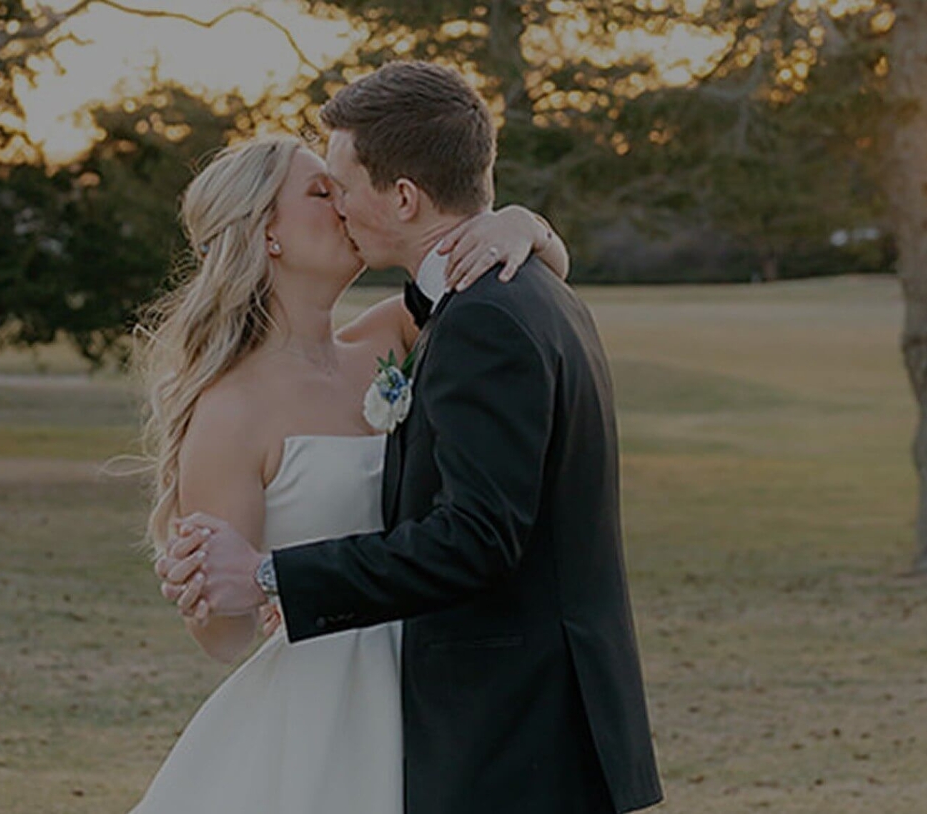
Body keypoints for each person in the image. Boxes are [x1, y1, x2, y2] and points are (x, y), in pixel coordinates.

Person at [156, 61, 663, 814]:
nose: (340, 203)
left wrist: (522, 224)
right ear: (267, 234)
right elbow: (225, 635)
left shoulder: (394, 335)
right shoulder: (229, 410)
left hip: (446, 703)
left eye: (340, 185)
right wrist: (207, 589)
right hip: (339, 709)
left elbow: (502, 297)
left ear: (401, 195)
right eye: (321, 191)